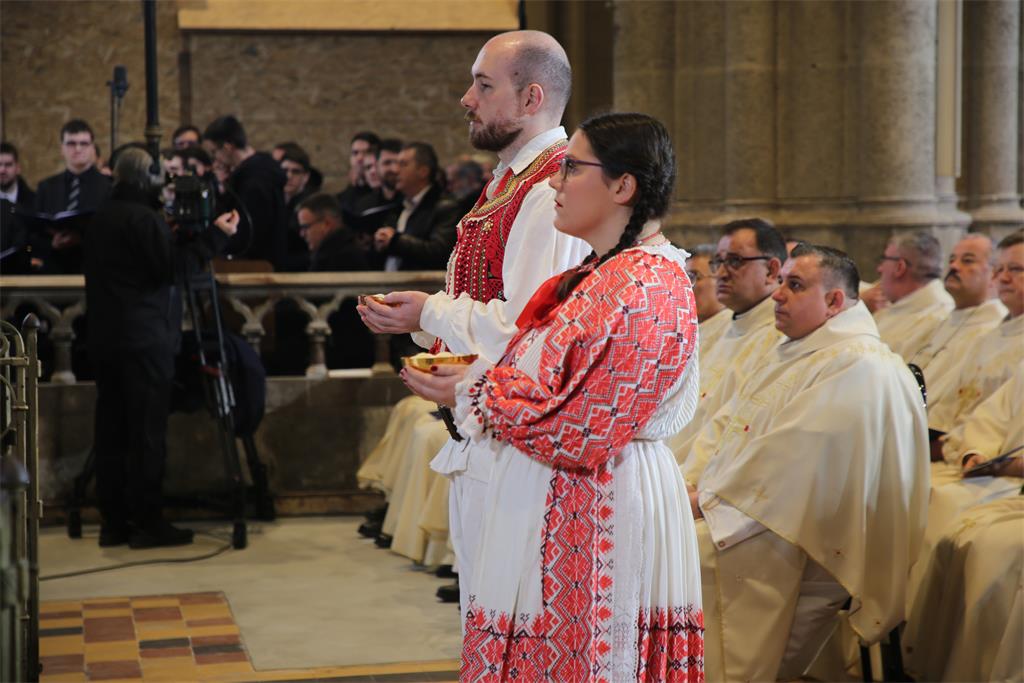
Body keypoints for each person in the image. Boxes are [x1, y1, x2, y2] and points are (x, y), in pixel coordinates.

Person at [400, 112, 704, 680]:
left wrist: (473, 387)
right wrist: (469, 381)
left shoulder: (645, 285)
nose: (555, 182)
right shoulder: (603, 272)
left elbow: (583, 430)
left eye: (572, 168)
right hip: (564, 497)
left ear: (623, 186)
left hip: (601, 506)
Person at [357, 29, 589, 611]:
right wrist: (422, 321)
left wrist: (430, 310)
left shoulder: (549, 189)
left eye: (484, 86)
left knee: (513, 614)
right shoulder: (510, 179)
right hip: (486, 428)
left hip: (522, 439)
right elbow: (483, 292)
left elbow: (528, 327)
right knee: (486, 610)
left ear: (532, 98)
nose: (467, 99)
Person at [688, 243, 929, 682]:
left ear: (834, 301)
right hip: (761, 516)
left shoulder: (859, 365)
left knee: (680, 553)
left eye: (795, 285)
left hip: (799, 539)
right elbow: (733, 428)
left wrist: (705, 502)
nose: (778, 295)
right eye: (781, 282)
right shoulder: (801, 351)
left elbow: (790, 463)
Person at [83, 147, 238, 548]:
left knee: (111, 431)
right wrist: (216, 236)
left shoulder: (103, 215)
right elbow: (173, 270)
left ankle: (114, 523)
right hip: (144, 340)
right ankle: (148, 522)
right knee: (146, 433)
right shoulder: (143, 218)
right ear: (145, 177)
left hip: (105, 338)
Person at [668, 218, 786, 476]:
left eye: (735, 261)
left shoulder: (780, 338)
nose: (721, 272)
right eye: (718, 262)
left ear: (772, 270)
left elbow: (740, 427)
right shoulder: (719, 329)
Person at [929, 231, 1024, 444]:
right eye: (999, 269)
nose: (1003, 278)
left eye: (1016, 269)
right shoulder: (988, 339)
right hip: (953, 448)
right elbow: (946, 407)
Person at [910, 233, 1006, 432]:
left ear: (994, 274)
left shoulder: (992, 331)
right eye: (952, 259)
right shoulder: (945, 320)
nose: (953, 266)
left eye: (967, 260)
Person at [203, 115, 289, 268]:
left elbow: (246, 234)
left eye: (214, 152)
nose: (215, 159)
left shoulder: (255, 181)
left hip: (257, 265)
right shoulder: (259, 171)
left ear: (228, 147)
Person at [34, 119, 112, 273]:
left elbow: (114, 233)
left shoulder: (109, 187)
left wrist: (83, 238)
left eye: (84, 143)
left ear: (92, 148)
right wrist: (52, 243)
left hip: (96, 268)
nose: (78, 149)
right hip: (54, 269)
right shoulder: (47, 187)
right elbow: (34, 233)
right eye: (71, 143)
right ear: (62, 148)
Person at [373, 142, 461, 272]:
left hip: (424, 283)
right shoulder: (399, 206)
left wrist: (395, 241)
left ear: (423, 171)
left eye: (403, 164)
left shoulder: (446, 207)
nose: (395, 170)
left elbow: (440, 252)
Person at [872, 230, 954, 360]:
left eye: (884, 260)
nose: (879, 269)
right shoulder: (897, 306)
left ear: (899, 267)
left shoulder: (940, 320)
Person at [685, 243, 729, 359]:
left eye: (693, 277)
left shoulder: (734, 331)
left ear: (720, 279)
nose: (685, 286)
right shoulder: (682, 332)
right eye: (683, 278)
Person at [0, 141, 39, 273]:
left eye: (8, 165)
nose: (2, 170)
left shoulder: (33, 201)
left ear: (18, 168)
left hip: (25, 272)